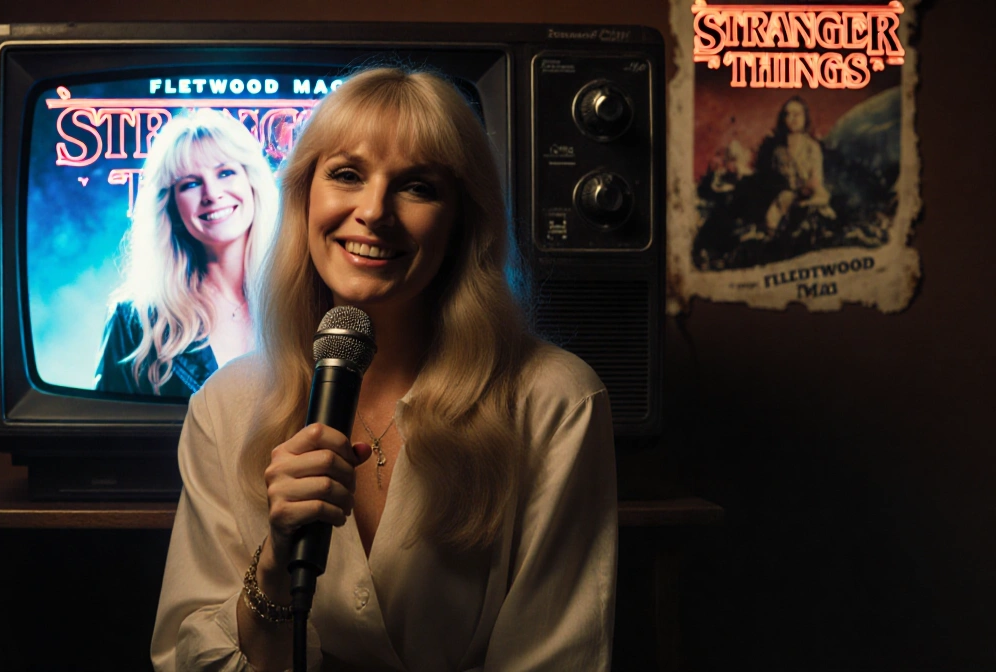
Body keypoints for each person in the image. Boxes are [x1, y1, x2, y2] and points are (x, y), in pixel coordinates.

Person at [151, 67, 617, 671]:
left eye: (417, 186)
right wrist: (272, 570)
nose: (373, 212)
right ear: (303, 197)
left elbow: (555, 659)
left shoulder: (555, 401)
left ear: (461, 223)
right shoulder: (225, 404)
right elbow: (189, 660)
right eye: (346, 174)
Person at [95, 109, 279, 397]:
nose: (212, 193)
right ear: (172, 207)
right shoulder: (134, 321)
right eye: (191, 184)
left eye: (225, 172)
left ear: (252, 183)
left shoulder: (305, 299)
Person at [755, 96, 837, 233]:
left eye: (797, 114)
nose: (793, 119)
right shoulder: (778, 151)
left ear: (805, 118)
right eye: (788, 114)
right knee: (770, 221)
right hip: (786, 195)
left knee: (814, 209)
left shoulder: (812, 147)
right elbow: (773, 178)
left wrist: (805, 193)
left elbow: (816, 179)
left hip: (811, 193)